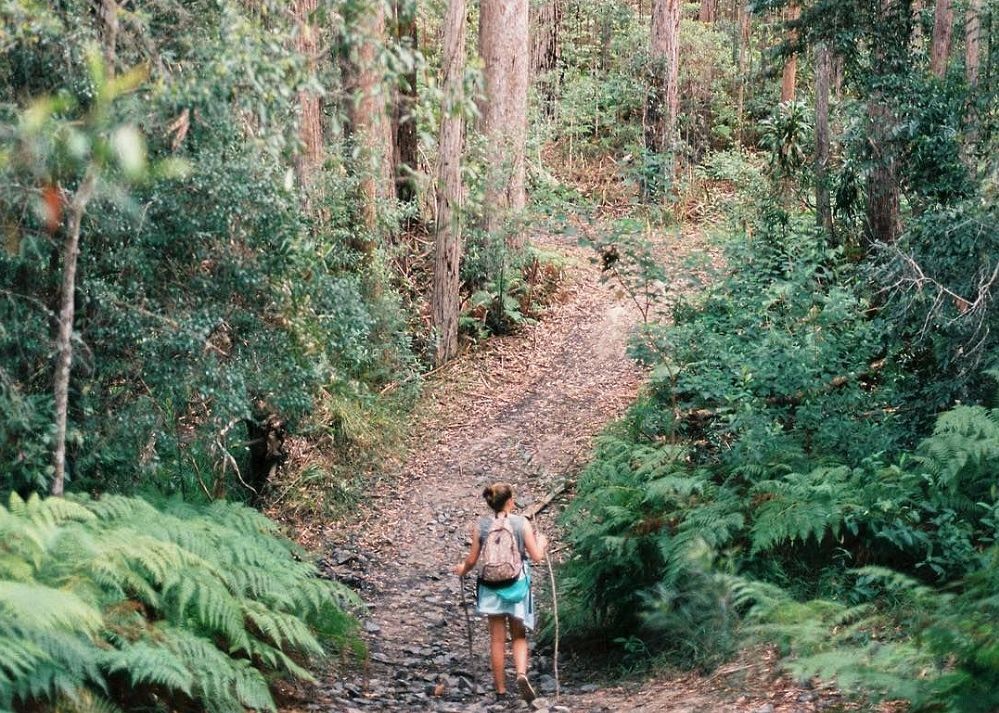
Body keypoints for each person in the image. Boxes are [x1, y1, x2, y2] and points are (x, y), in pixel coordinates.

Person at [454, 483, 547, 703]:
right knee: (518, 635)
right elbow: (536, 557)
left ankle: (500, 691)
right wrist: (542, 542)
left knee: (496, 640)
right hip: (516, 586)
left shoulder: (482, 525)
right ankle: (522, 674)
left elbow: (472, 559)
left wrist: (462, 570)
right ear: (510, 501)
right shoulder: (521, 523)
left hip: (491, 588)